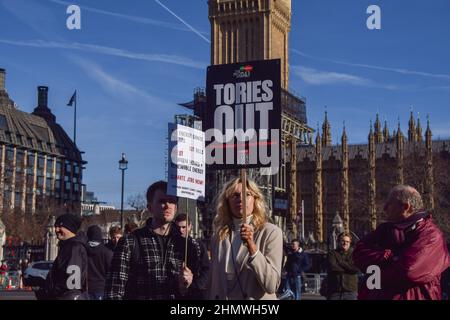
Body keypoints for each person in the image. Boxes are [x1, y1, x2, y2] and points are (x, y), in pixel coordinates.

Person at [353, 185, 450, 300]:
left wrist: (373, 271)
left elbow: (408, 272)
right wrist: (386, 256)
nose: (384, 208)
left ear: (406, 207)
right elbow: (358, 253)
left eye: (389, 204)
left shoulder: (431, 235)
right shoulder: (384, 229)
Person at [104, 180, 197, 300]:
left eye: (172, 201)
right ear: (150, 207)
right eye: (162, 201)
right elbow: (113, 291)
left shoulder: (187, 245)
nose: (167, 205)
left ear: (176, 207)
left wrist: (188, 285)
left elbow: (200, 289)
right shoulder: (130, 242)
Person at [207, 177, 283, 300]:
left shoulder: (271, 232)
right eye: (235, 195)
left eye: (247, 194)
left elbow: (272, 284)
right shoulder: (219, 236)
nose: (241, 199)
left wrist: (252, 248)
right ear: (227, 202)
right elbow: (212, 283)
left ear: (255, 199)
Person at [41, 213, 88, 300]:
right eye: (55, 226)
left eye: (60, 226)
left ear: (70, 228)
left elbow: (72, 280)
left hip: (68, 296)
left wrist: (54, 290)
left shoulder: (74, 247)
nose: (56, 229)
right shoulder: (69, 246)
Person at [174, 213, 210, 299]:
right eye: (178, 227)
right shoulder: (171, 245)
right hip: (175, 292)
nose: (181, 230)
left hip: (195, 292)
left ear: (190, 227)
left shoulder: (198, 245)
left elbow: (206, 268)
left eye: (184, 227)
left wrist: (197, 285)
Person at [326, 232, 359, 300]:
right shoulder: (332, 253)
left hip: (350, 291)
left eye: (347, 241)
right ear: (338, 242)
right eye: (343, 241)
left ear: (350, 243)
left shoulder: (354, 254)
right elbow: (332, 267)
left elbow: (355, 269)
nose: (345, 243)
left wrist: (340, 262)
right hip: (335, 291)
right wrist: (348, 268)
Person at [86, 225, 113, 300]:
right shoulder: (107, 252)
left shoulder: (82, 251)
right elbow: (111, 272)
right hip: (101, 288)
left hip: (86, 288)